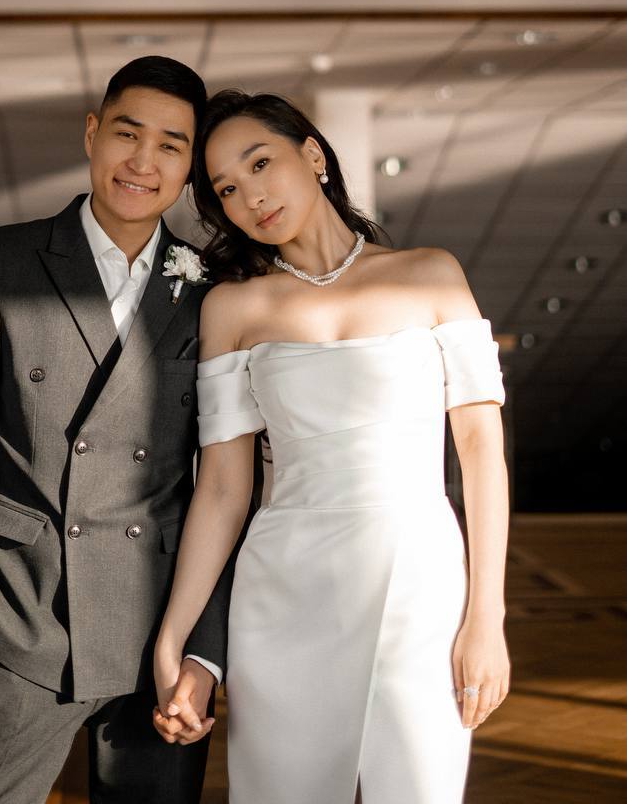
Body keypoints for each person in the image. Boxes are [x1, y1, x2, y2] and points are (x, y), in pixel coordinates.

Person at [152, 89, 510, 803]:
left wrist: (486, 618)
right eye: (227, 189)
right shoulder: (233, 308)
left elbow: (479, 453)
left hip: (421, 583)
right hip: (284, 591)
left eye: (260, 164)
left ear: (312, 155)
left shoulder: (432, 274)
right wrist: (174, 640)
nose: (251, 196)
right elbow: (222, 489)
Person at [0, 56, 246, 804]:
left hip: (161, 626)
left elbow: (229, 490)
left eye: (170, 146)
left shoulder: (213, 289)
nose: (143, 162)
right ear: (92, 134)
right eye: (127, 134)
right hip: (23, 613)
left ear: (190, 166)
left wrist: (204, 649)